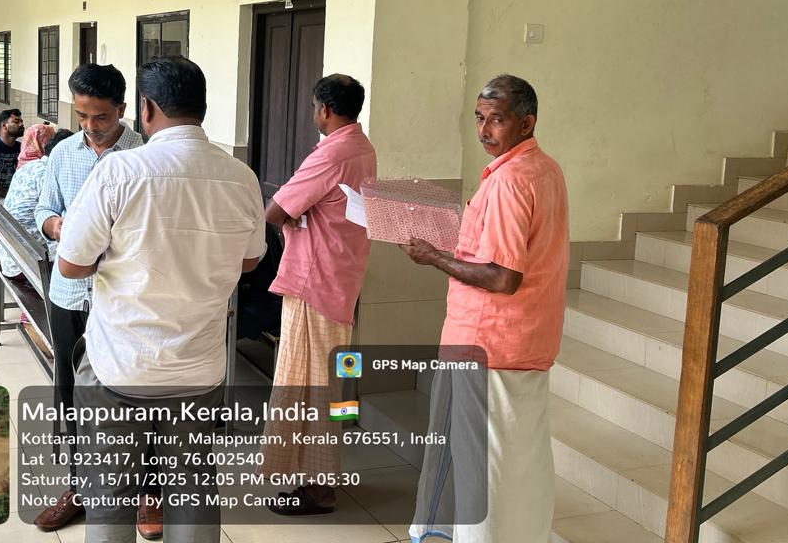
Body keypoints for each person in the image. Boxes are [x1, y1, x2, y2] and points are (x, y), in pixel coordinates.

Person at [59, 55, 267, 543]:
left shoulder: (119, 171)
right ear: (202, 108)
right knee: (193, 490)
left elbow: (71, 265)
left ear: (146, 108)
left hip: (120, 366)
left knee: (111, 496)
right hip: (198, 369)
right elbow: (249, 261)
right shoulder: (241, 177)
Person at [400, 74, 569, 543]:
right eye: (479, 118)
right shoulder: (545, 169)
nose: (484, 130)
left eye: (497, 120)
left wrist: (434, 257)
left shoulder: (510, 181)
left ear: (526, 123)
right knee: (518, 459)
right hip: (525, 340)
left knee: (478, 462)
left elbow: (502, 277)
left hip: (487, 343)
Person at [31, 63, 145, 534]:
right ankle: (79, 485)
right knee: (72, 393)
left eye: (100, 116)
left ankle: (147, 492)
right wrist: (55, 225)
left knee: (134, 396)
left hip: (124, 299)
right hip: (70, 294)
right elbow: (42, 206)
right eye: (81, 115)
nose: (90, 126)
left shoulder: (143, 154)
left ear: (122, 109)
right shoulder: (63, 152)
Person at [259, 74, 378, 515]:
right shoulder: (363, 147)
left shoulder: (331, 153)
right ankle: (315, 478)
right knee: (328, 383)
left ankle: (318, 488)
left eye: (314, 107)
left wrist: (294, 216)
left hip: (315, 283)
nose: (314, 114)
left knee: (309, 386)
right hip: (341, 280)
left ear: (324, 109)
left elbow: (275, 212)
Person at [0, 124, 74, 279]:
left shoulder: (29, 166)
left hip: (11, 255)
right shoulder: (48, 175)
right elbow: (60, 228)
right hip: (27, 263)